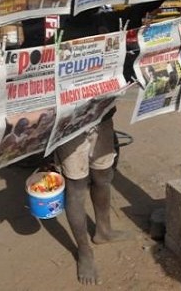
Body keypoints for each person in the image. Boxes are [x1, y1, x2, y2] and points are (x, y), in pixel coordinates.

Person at [55, 111, 127, 285]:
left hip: (102, 117)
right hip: (70, 125)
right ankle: (84, 250)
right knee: (76, 187)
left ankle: (104, 230)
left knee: (103, 176)